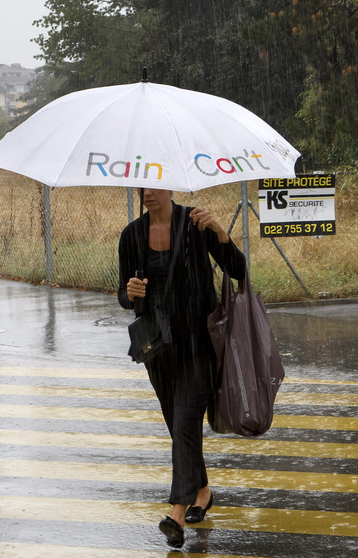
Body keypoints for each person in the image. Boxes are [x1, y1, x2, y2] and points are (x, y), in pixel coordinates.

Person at [117, 187, 246, 548]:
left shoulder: (195, 225)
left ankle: (177, 511)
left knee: (186, 418)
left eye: (152, 185)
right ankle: (202, 490)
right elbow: (124, 297)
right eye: (140, 187)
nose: (146, 193)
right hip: (158, 349)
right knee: (179, 424)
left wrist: (220, 232)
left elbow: (239, 271)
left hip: (199, 344)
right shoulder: (131, 236)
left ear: (170, 185)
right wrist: (131, 292)